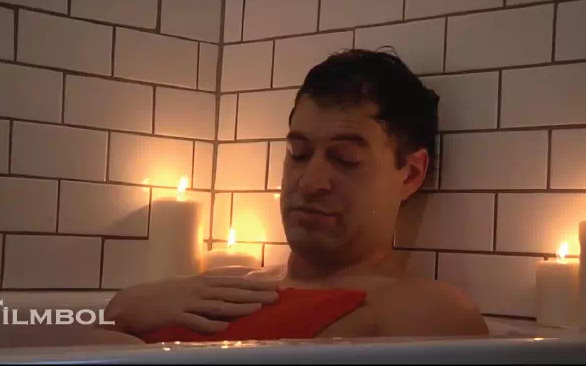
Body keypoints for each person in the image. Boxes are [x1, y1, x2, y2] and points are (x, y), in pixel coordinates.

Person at [102, 48, 489, 339]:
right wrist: (121, 308)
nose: (309, 181)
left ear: (411, 174)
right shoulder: (223, 285)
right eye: (298, 153)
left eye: (345, 158)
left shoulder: (424, 312)